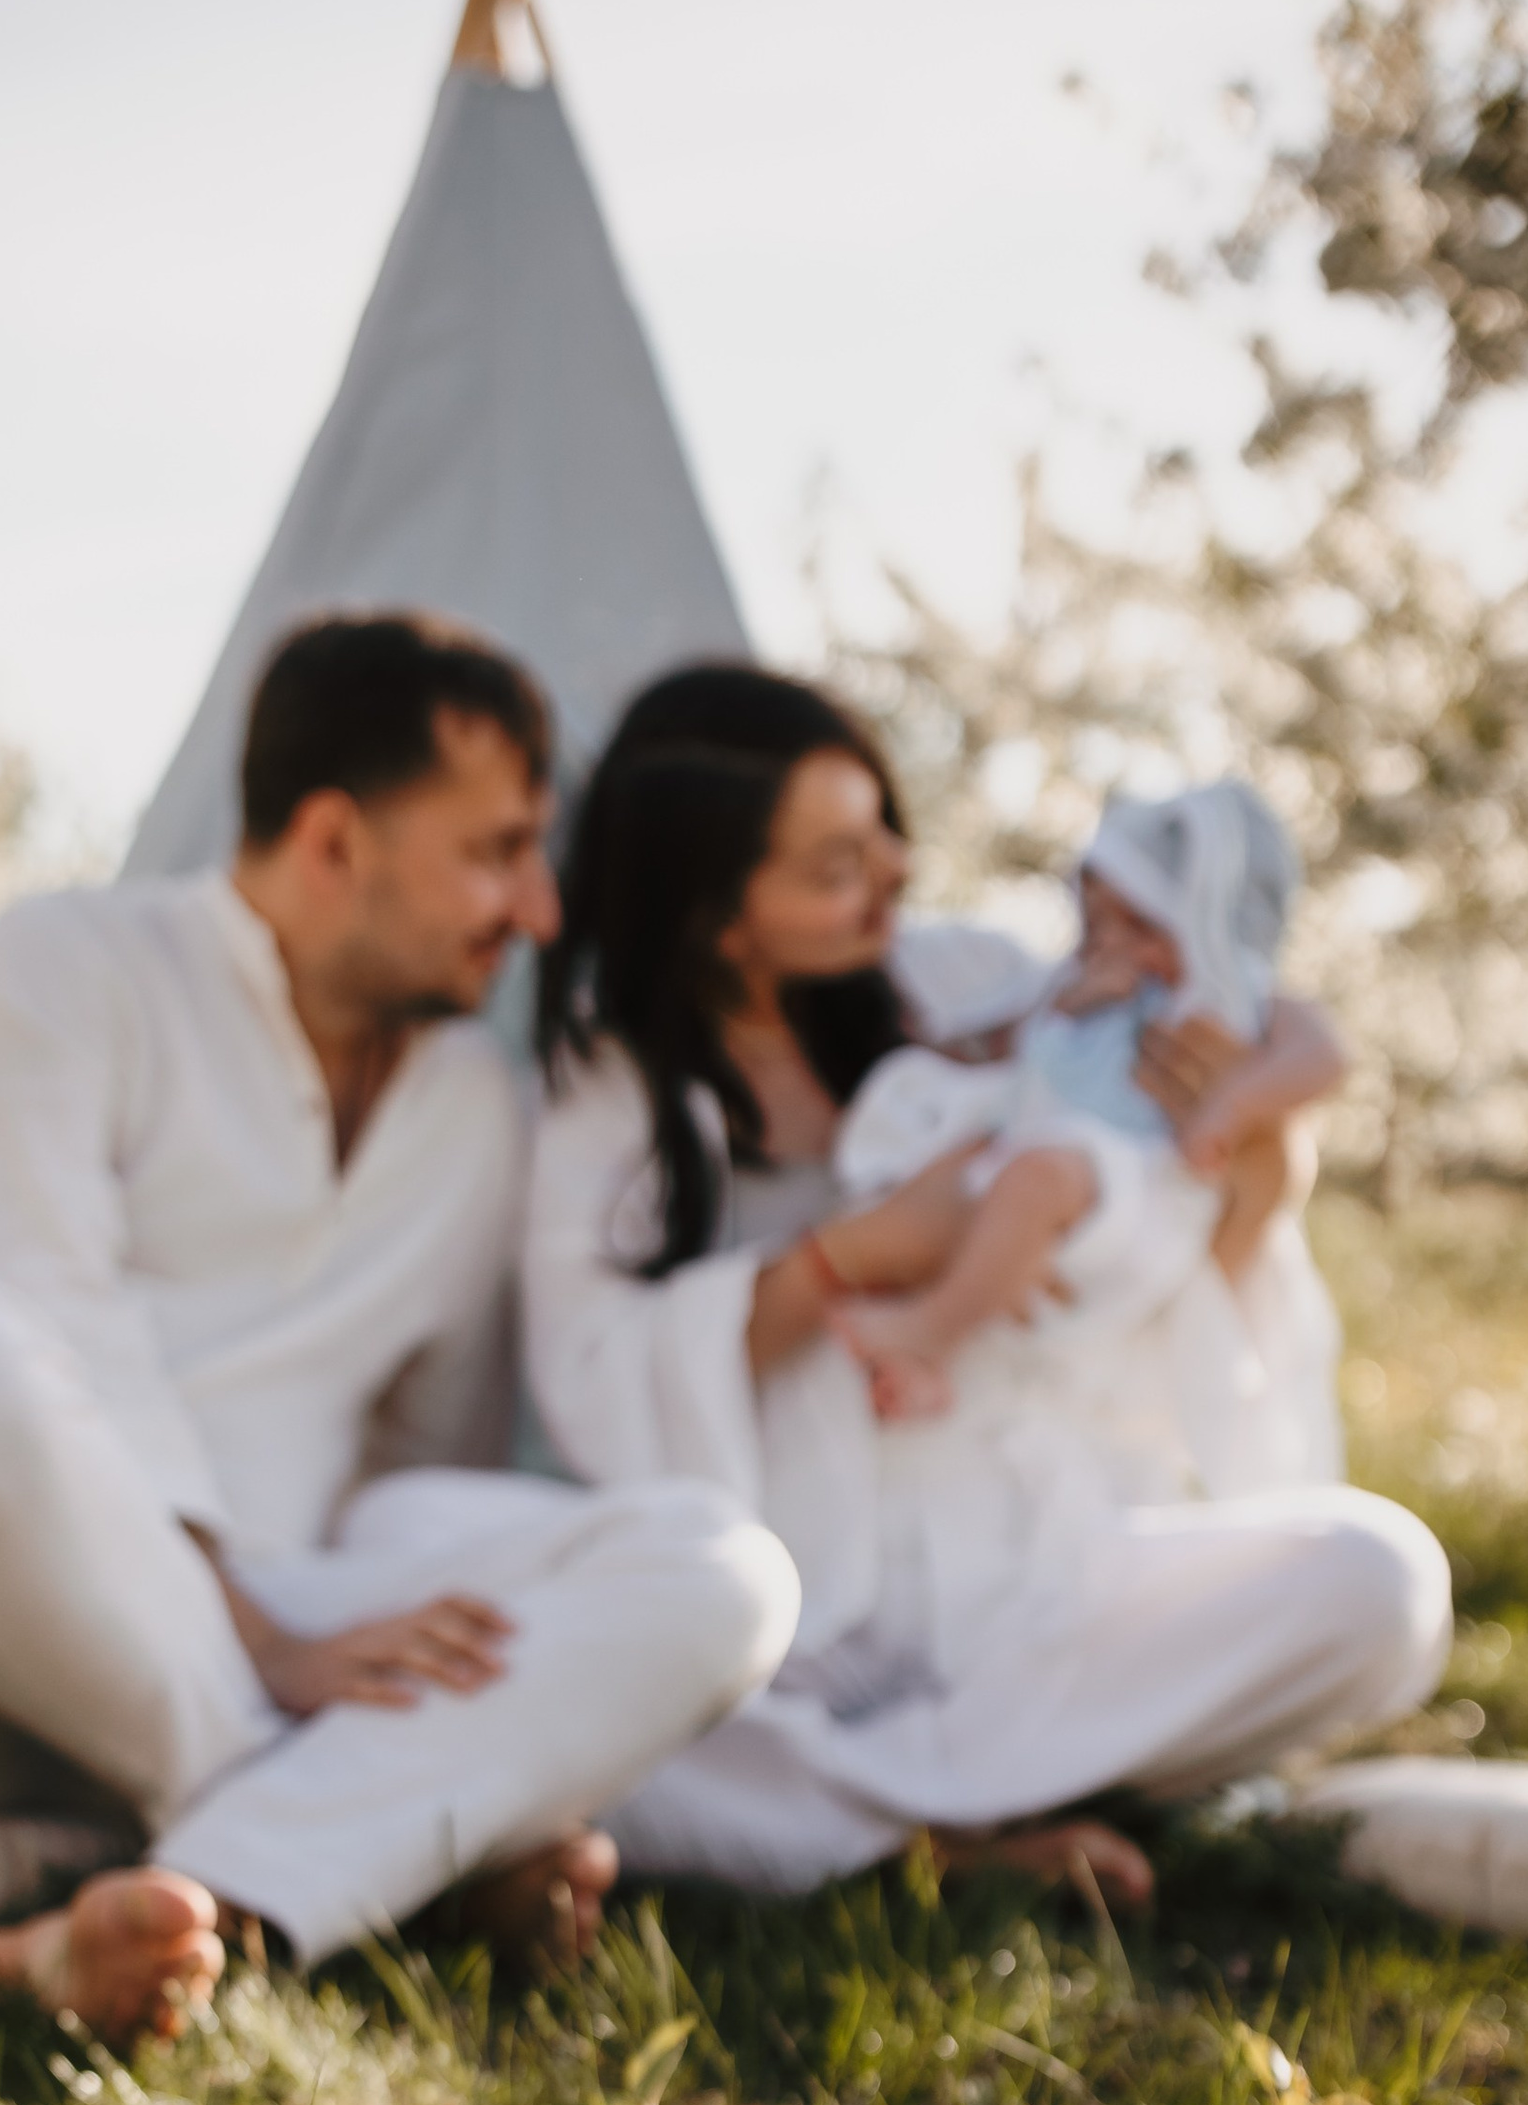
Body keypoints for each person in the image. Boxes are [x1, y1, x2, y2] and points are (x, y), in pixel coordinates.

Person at [0, 617, 800, 2040]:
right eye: (494, 851)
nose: (539, 909)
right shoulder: (67, 964)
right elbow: (40, 1318)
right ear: (333, 843)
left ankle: (204, 1899)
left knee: (719, 1569)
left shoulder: (471, 1111)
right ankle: (391, 1858)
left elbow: (409, 1472)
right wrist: (260, 1642)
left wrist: (371, 1632)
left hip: (269, 1627)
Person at [521, 663, 1452, 1902]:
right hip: (792, 1630)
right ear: (715, 916)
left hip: (1032, 1571)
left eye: (887, 830)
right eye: (837, 863)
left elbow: (1181, 1185)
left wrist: (1254, 1174)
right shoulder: (605, 1098)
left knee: (1377, 1583)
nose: (898, 873)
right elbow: (588, 1385)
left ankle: (886, 1816)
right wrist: (845, 1260)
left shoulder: (972, 982)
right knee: (553, 1704)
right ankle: (941, 1835)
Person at [824, 783, 1331, 1420]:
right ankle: (923, 1369)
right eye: (1097, 921)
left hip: (1143, 1175)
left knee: (1035, 1180)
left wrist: (1228, 1108)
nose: (1112, 943)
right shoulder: (1076, 982)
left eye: (1141, 925)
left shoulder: (1240, 997)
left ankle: (928, 1329)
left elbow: (1321, 1059)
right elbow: (997, 1044)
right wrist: (1066, 1005)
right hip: (1050, 1161)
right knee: (963, 1187)